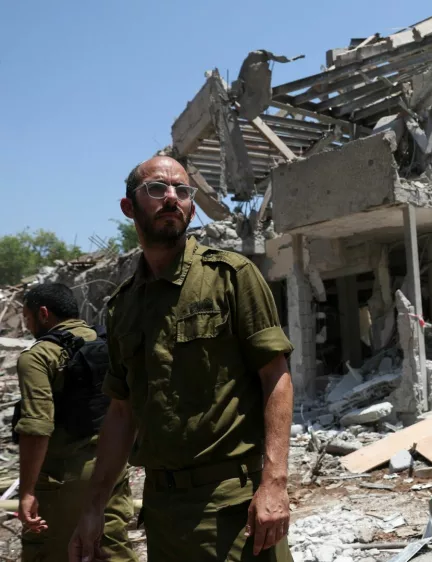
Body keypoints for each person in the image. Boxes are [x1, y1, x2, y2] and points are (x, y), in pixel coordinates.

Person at [69, 155, 295, 561]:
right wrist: (93, 506)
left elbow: (275, 376)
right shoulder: (122, 307)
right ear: (128, 207)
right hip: (161, 513)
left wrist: (275, 483)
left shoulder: (230, 276)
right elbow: (121, 412)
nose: (172, 198)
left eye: (182, 190)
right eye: (157, 188)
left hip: (233, 508)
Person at [15, 283, 135, 562]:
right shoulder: (109, 344)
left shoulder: (39, 356)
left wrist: (27, 491)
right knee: (110, 548)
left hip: (64, 478)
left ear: (43, 313)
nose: (27, 324)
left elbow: (36, 428)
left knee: (49, 552)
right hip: (113, 469)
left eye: (27, 317)